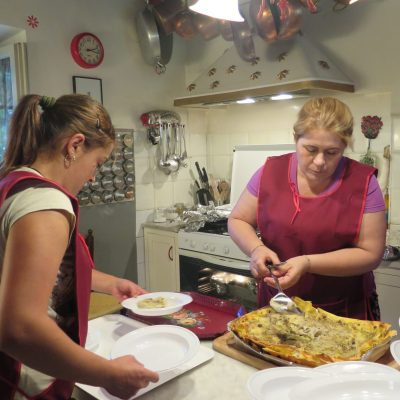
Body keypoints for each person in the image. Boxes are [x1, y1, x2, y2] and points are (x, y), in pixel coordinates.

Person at [0, 94, 159, 399]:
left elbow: (38, 271)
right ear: (74, 146)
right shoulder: (46, 204)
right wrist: (108, 373)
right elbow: (20, 328)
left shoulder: (12, 182)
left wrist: (112, 282)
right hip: (25, 379)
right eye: (97, 163)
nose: (92, 176)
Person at [228, 97, 386, 320]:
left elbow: (371, 254)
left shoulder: (364, 182)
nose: (320, 161)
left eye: (332, 152)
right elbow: (238, 219)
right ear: (295, 139)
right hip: (278, 305)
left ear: (345, 146)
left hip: (344, 313)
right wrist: (256, 249)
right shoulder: (269, 172)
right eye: (310, 149)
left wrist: (307, 263)